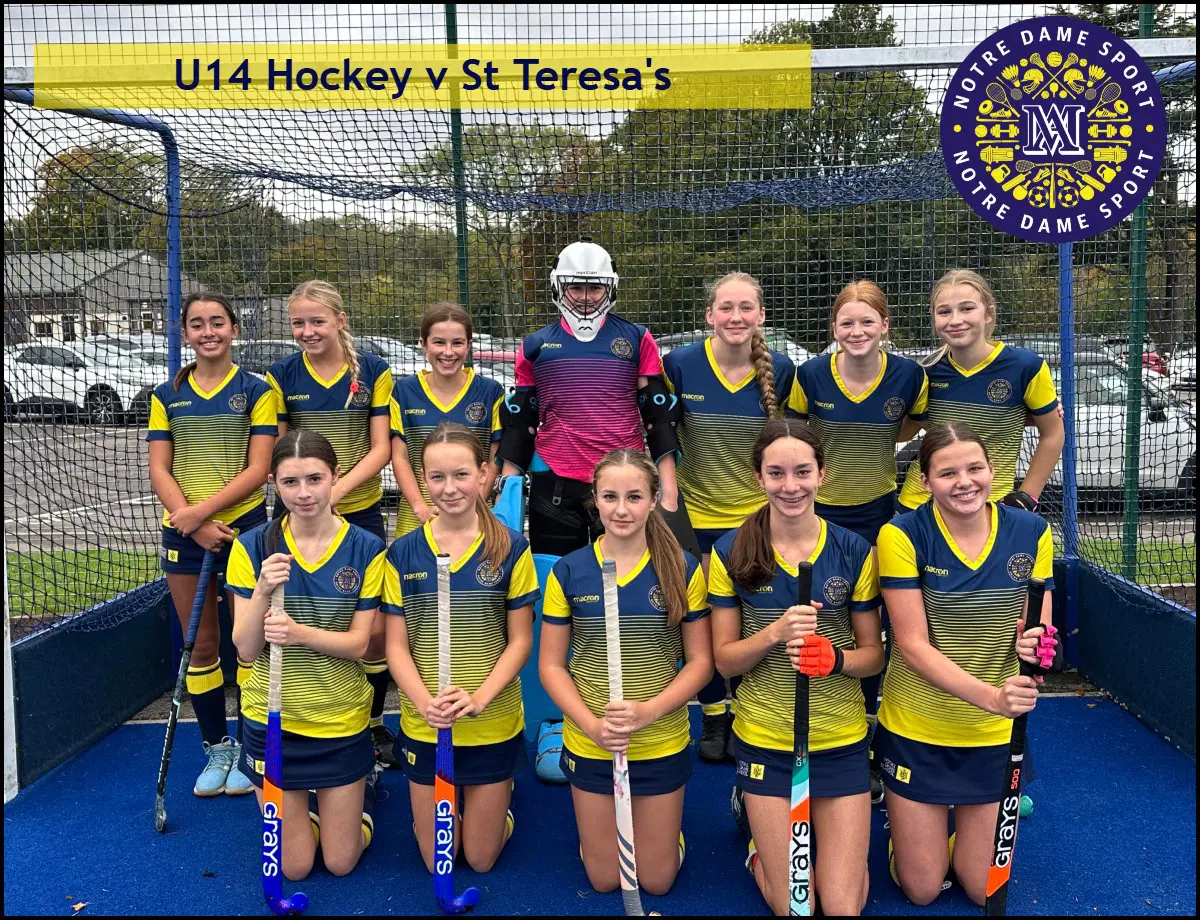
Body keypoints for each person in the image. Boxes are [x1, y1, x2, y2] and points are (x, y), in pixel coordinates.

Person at [876, 421, 1057, 907]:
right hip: (918, 725)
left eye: (975, 468)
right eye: (947, 473)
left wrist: (1039, 649)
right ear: (925, 481)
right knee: (922, 888)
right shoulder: (901, 535)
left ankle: (954, 828)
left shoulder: (1032, 532)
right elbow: (912, 646)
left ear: (993, 471)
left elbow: (1037, 628)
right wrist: (993, 698)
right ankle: (910, 835)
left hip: (993, 732)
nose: (964, 482)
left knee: (981, 888)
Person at [709, 418, 883, 916]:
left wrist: (835, 659)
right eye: (777, 473)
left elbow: (874, 657)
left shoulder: (854, 551)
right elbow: (724, 660)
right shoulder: (730, 550)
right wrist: (773, 634)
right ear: (758, 477)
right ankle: (756, 836)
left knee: (841, 906)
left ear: (822, 474)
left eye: (802, 472)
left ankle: (824, 847)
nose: (791, 486)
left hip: (839, 737)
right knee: (794, 907)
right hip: (766, 736)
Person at [539, 450, 712, 897]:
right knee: (603, 880)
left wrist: (648, 712)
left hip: (659, 738)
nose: (621, 509)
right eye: (610, 497)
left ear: (654, 499)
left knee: (656, 881)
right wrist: (592, 726)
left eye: (634, 497)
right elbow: (551, 666)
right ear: (594, 500)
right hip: (592, 739)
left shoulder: (683, 568)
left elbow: (700, 663)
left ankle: (663, 838)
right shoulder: (569, 571)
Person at [786, 279, 928, 800]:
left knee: (874, 627)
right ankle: (802, 728)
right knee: (818, 618)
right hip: (818, 514)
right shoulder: (810, 376)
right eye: (847, 322)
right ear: (834, 328)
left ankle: (869, 736)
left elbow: (912, 426)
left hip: (878, 515)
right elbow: (795, 434)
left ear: (884, 326)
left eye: (867, 321)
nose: (857, 330)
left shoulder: (910, 376)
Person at [228, 429, 387, 881]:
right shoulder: (251, 546)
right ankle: (306, 816)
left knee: (340, 862)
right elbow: (245, 648)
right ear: (274, 484)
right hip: (272, 717)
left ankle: (359, 802)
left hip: (339, 716)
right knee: (294, 868)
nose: (304, 493)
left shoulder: (367, 548)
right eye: (290, 482)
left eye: (315, 479)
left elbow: (360, 646)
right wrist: (262, 590)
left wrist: (298, 633)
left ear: (335, 477)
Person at [382, 422, 539, 873]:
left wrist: (479, 699)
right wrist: (425, 704)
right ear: (423, 479)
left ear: (484, 474)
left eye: (461, 475)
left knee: (481, 859)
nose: (449, 488)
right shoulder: (403, 553)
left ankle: (500, 803)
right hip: (426, 722)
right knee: (440, 862)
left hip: (491, 721)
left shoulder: (511, 548)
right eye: (437, 477)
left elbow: (520, 641)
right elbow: (396, 648)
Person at [662, 271, 796, 763]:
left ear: (761, 315)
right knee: (699, 620)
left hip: (758, 521)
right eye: (726, 308)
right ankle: (714, 715)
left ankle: (748, 712)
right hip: (694, 519)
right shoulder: (680, 365)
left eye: (746, 308)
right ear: (709, 315)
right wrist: (667, 502)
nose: (736, 317)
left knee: (754, 619)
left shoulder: (784, 371)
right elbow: (662, 436)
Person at [146, 290, 276, 797]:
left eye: (217, 322)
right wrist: (192, 521)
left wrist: (202, 514)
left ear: (234, 329)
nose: (208, 332)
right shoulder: (166, 395)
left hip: (243, 530)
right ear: (185, 334)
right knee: (199, 644)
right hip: (185, 534)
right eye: (197, 324)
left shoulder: (256, 390)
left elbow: (260, 469)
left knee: (247, 642)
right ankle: (217, 747)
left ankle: (249, 748)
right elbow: (160, 469)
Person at [266, 280, 398, 768]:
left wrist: (333, 496)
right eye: (298, 322)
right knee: (301, 616)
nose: (307, 331)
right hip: (299, 513)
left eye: (317, 321)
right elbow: (281, 452)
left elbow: (381, 449)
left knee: (375, 629)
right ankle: (299, 717)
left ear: (340, 321)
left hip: (358, 511)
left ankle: (373, 722)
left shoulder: (374, 371)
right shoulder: (281, 374)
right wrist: (313, 500)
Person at [497, 238, 686, 558]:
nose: (585, 297)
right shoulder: (535, 345)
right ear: (559, 287)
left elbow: (657, 416)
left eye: (595, 288)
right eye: (576, 287)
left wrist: (669, 492)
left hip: (623, 479)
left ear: (609, 288)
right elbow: (521, 422)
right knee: (553, 572)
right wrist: (507, 489)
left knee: (625, 570)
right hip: (554, 479)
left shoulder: (637, 338)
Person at [897, 269, 1064, 514]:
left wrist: (1027, 496)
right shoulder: (925, 372)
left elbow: (1053, 433)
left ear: (988, 314)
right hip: (919, 506)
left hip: (989, 506)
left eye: (967, 308)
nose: (955, 320)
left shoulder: (1025, 367)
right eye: (944, 311)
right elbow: (905, 431)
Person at [390, 303, 504, 537]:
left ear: (469, 345)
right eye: (439, 342)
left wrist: (475, 506)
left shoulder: (490, 391)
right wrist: (421, 509)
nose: (448, 352)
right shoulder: (404, 391)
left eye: (457, 343)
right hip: (417, 520)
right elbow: (399, 457)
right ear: (423, 344)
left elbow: (495, 458)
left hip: (475, 519)